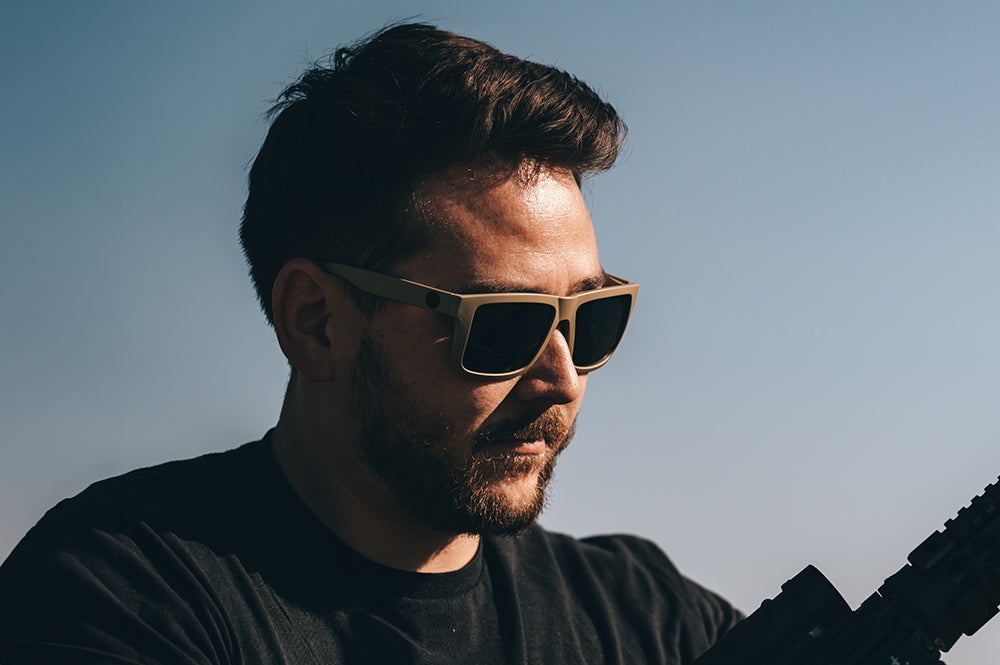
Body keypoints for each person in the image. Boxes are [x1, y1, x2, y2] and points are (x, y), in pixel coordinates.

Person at [0, 23, 741, 664]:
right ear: (317, 322)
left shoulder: (652, 622)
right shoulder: (122, 592)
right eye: (504, 324)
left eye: (591, 318)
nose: (564, 377)